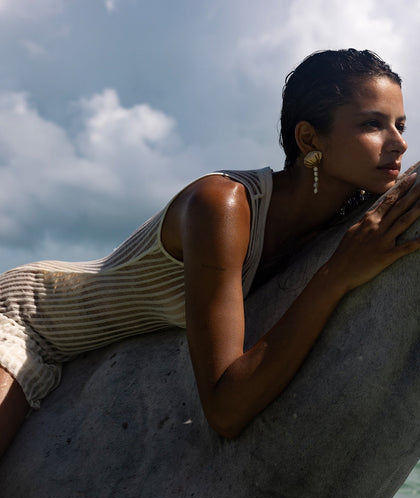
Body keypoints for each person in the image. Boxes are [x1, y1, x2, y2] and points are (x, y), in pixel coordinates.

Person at [1, 48, 420, 454]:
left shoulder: (345, 220)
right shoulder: (222, 205)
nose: (399, 143)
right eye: (372, 124)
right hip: (30, 320)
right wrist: (336, 274)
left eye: (401, 125)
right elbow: (225, 410)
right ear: (309, 137)